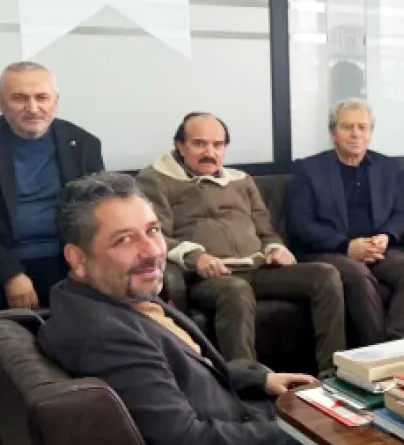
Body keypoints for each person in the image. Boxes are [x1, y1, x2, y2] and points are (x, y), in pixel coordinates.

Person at [37, 172, 314, 445]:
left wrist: (259, 380)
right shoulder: (104, 336)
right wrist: (313, 435)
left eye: (153, 231)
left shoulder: (112, 296)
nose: (152, 251)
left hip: (238, 418)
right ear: (77, 259)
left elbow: (179, 372)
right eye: (124, 239)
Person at [136, 112, 346, 374]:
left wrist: (276, 249)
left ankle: (334, 373)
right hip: (209, 277)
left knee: (325, 275)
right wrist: (196, 257)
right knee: (236, 290)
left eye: (217, 145)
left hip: (257, 268)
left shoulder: (241, 180)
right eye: (199, 144)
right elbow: (155, 235)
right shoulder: (155, 180)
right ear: (180, 146)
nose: (209, 152)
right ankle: (248, 384)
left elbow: (266, 231)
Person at [287, 99, 404, 346]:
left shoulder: (387, 167)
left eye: (362, 127)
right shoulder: (308, 170)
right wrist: (347, 246)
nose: (355, 134)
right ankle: (376, 351)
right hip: (331, 251)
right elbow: (301, 223)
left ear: (371, 132)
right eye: (347, 127)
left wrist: (386, 236)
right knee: (358, 276)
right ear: (333, 133)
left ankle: (400, 347)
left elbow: (399, 214)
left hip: (377, 248)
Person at [0, 61, 104, 310]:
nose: (33, 109)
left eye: (41, 98)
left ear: (55, 101)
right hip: (2, 261)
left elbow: (100, 213)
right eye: (19, 98)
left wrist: (84, 263)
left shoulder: (84, 145)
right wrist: (10, 275)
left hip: (68, 260)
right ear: (0, 101)